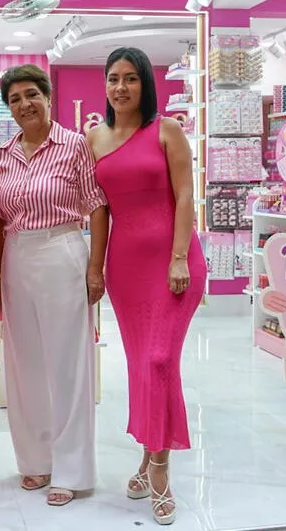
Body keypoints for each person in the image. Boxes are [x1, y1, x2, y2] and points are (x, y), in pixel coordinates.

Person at [89, 48, 207, 526]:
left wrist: (179, 256)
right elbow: (99, 211)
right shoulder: (94, 138)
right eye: (114, 78)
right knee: (142, 365)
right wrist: (95, 269)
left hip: (174, 264)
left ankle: (159, 470)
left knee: (159, 360)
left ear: (145, 85)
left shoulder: (167, 130)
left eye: (131, 79)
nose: (121, 87)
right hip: (125, 269)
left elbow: (184, 194)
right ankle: (145, 457)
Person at [0, 64, 108, 507]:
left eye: (31, 95)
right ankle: (35, 461)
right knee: (24, 364)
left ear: (47, 96)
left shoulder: (75, 145)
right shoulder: (2, 155)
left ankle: (72, 469)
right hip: (18, 256)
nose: (24, 104)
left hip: (62, 250)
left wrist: (95, 268)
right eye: (15, 99)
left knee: (68, 364)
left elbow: (97, 208)